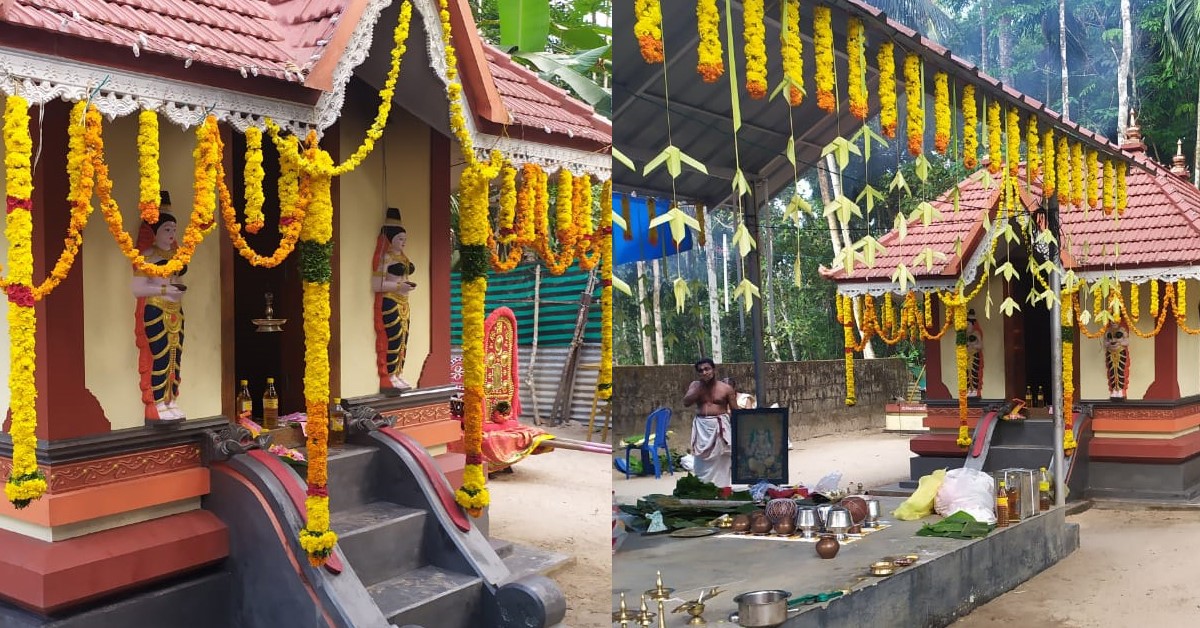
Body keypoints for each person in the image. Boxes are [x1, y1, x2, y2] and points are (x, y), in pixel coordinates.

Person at [131, 193, 186, 422]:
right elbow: (138, 288)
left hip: (176, 311)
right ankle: (157, 403)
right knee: (160, 356)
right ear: (154, 232)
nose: (171, 234)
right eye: (166, 230)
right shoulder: (147, 256)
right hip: (155, 311)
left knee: (176, 356)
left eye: (173, 230)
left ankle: (171, 400)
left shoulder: (176, 255)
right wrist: (165, 291)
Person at [372, 207, 416, 392]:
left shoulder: (403, 258)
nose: (403, 242)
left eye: (404, 239)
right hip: (390, 302)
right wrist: (399, 287)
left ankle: (398, 374)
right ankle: (389, 375)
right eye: (400, 239)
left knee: (404, 339)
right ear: (390, 239)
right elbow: (377, 285)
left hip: (404, 302)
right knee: (393, 338)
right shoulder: (385, 258)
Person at [683, 358, 739, 488]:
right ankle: (703, 489)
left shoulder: (726, 388)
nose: (704, 372)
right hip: (702, 427)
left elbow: (735, 411)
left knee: (723, 460)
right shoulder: (695, 386)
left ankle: (722, 489)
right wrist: (700, 388)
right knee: (701, 463)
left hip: (721, 426)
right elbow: (686, 402)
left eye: (707, 369)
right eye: (701, 371)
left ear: (713, 369)